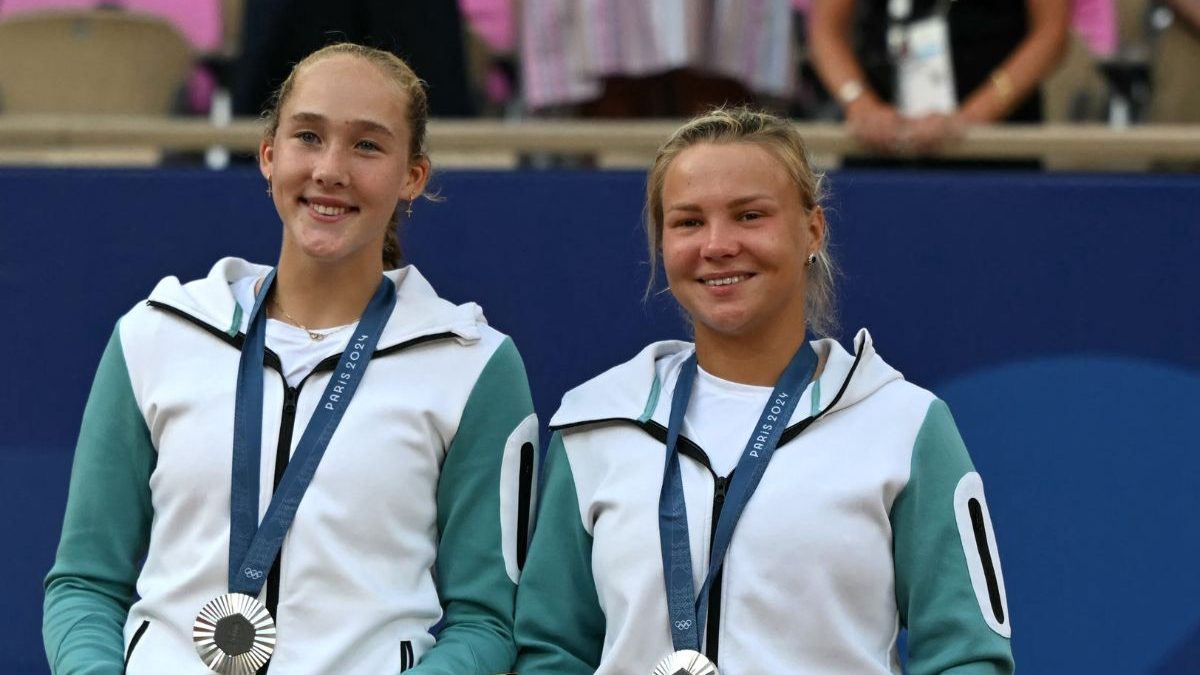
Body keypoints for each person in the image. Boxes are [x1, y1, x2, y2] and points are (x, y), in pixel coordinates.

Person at [43, 43, 537, 675]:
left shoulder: (473, 365)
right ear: (269, 157)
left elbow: (488, 621)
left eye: (367, 145)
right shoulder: (155, 334)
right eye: (308, 136)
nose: (330, 169)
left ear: (413, 176)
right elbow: (85, 584)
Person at [514, 107, 1014, 674]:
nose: (718, 245)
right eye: (688, 222)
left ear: (812, 230)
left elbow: (967, 657)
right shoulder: (596, 424)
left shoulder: (904, 424)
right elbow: (550, 652)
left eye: (750, 215)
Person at [808, 0, 1068, 155]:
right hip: (884, 141)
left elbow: (1050, 33)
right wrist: (860, 104)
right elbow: (826, 32)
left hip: (996, 144)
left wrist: (972, 117)